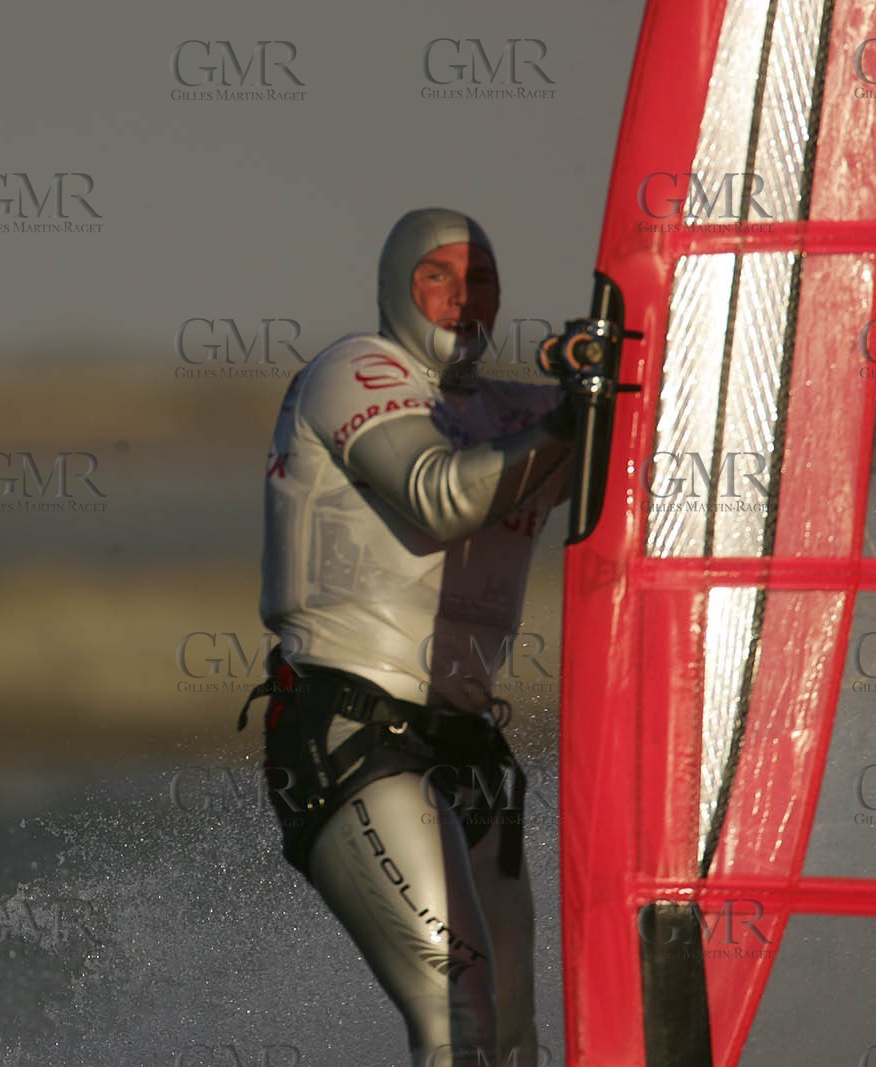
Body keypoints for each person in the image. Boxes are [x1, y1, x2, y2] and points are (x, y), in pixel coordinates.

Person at [242, 207, 575, 1067]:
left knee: (512, 1046)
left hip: (467, 752)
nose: (463, 301)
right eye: (439, 277)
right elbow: (437, 496)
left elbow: (661, 436)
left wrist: (618, 375)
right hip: (349, 728)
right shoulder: (352, 372)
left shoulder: (511, 410)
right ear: (398, 286)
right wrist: (577, 419)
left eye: (482, 281)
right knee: (456, 1018)